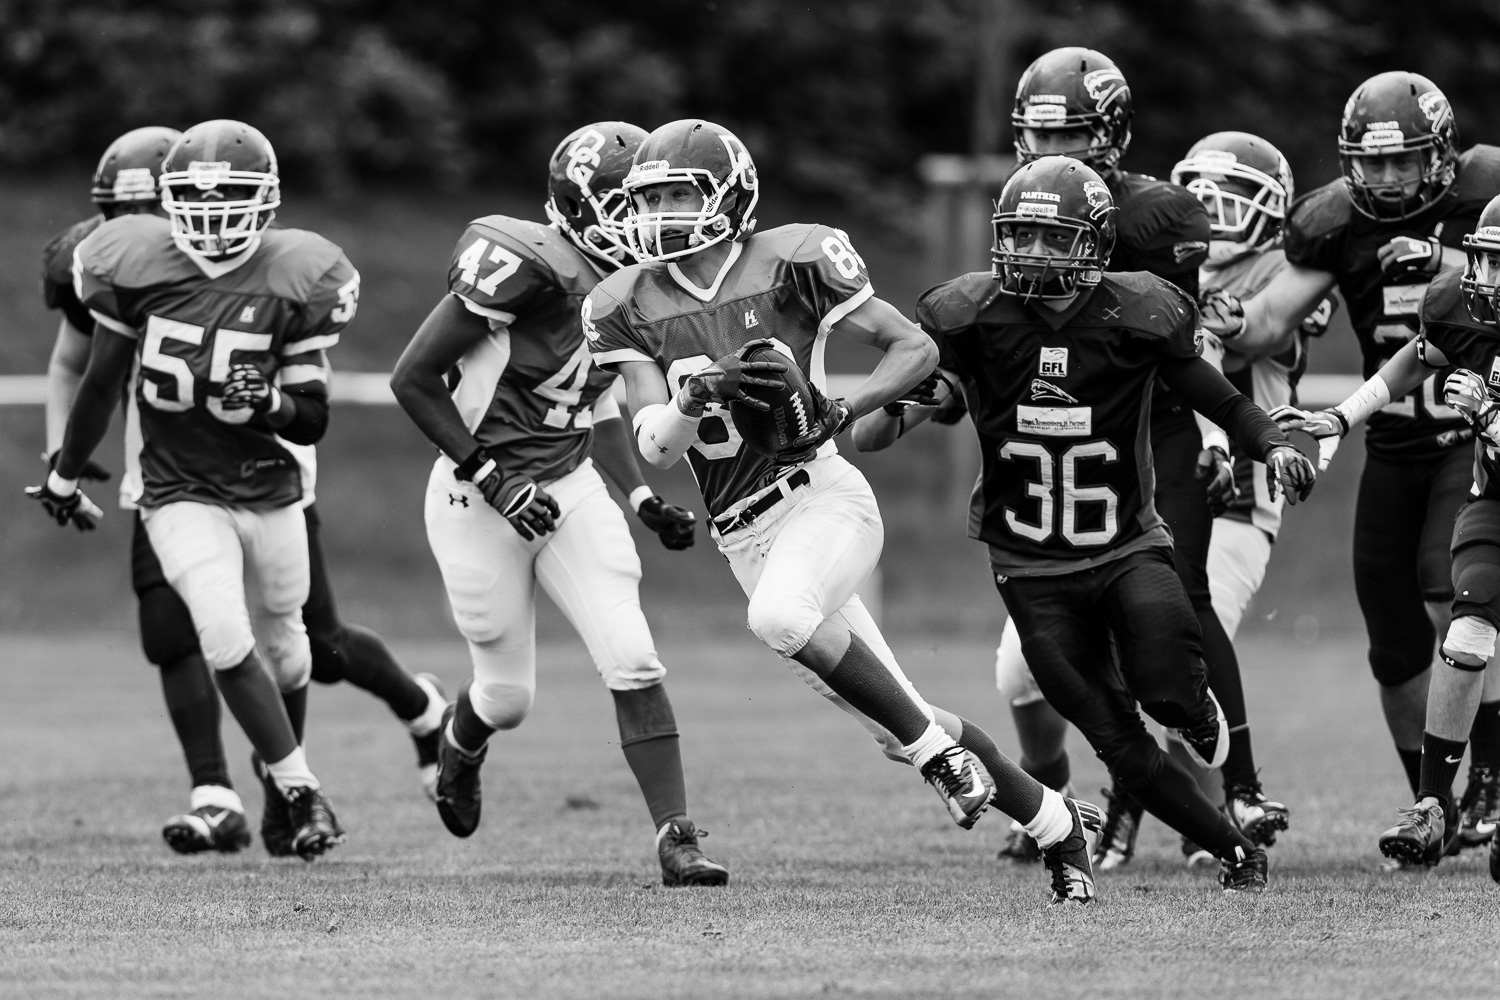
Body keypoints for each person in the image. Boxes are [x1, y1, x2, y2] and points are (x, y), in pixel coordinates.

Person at [585, 118, 1105, 906]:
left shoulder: (792, 260)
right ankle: (1058, 827)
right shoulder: (622, 300)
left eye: (675, 195)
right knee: (901, 716)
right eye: (646, 198)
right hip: (742, 533)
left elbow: (915, 349)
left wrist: (841, 407)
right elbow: (655, 445)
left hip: (823, 500)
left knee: (780, 619)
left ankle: (940, 760)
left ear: (728, 197)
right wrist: (694, 394)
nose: (657, 214)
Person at [856, 155, 1318, 893]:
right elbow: (890, 416)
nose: (1033, 253)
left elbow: (1219, 397)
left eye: (1053, 237)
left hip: (1126, 545)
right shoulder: (970, 316)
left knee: (1168, 691)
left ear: (1096, 245)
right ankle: (1235, 850)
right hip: (1031, 568)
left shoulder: (1138, 312)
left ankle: (1196, 706)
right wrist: (882, 408)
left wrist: (1270, 441)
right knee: (1119, 742)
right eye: (1022, 236)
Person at [39, 128, 449, 856]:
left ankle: (414, 714)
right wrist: (62, 467)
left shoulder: (297, 273)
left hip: (272, 481)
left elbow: (310, 414)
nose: (209, 216)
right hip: (171, 483)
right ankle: (270, 792)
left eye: (227, 198)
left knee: (307, 651)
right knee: (201, 633)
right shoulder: (123, 265)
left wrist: (271, 406)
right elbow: (89, 374)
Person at [392, 122, 728, 887]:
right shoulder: (527, 265)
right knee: (509, 697)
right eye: (626, 203)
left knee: (633, 655)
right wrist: (495, 478)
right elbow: (411, 379)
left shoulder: (632, 288)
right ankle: (462, 738)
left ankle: (677, 839)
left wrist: (641, 496)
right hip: (476, 490)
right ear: (580, 205)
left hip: (568, 485)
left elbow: (593, 404)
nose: (645, 220)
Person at [1201, 72, 1500, 849]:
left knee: (1451, 594)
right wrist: (1218, 319)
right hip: (1393, 440)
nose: (1391, 178)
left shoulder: (1488, 189)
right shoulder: (1335, 219)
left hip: (1473, 438)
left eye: (1407, 162)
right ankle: (1436, 808)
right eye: (1376, 163)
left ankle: (1492, 779)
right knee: (1394, 644)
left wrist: (1441, 254)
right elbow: (1267, 326)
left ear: (1442, 154)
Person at [987, 47, 1268, 870]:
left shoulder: (1160, 218)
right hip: (1061, 440)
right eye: (1038, 140)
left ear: (1110, 132)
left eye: (1070, 136)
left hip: (1160, 430)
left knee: (1179, 601)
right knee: (1033, 662)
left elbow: (1197, 344)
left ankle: (1238, 786)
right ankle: (1066, 801)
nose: (1050, 159)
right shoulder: (1026, 208)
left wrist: (1220, 439)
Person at [1274, 195, 1500, 875]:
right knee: (1464, 634)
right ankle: (1433, 805)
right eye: (1487, 262)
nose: (1487, 280)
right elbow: (1418, 356)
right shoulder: (1464, 303)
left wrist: (1488, 412)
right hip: (1495, 500)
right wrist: (1345, 416)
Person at [1154, 130, 1343, 862]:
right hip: (1162, 476)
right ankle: (1161, 805)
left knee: (1188, 632)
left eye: (1229, 199)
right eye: (1199, 195)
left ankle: (1231, 800)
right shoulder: (1167, 260)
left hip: (1242, 480)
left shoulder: (1283, 270)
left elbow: (1258, 333)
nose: (1210, 212)